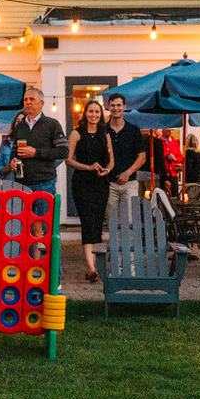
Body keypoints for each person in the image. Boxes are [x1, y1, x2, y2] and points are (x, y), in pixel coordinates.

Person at [67, 98, 114, 278]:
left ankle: (95, 265)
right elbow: (68, 160)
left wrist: (107, 170)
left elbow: (111, 160)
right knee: (87, 223)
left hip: (101, 184)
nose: (94, 115)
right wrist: (89, 167)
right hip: (82, 184)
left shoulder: (105, 134)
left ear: (101, 114)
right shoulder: (76, 133)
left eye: (97, 112)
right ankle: (91, 267)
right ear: (85, 114)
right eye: (91, 111)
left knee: (97, 223)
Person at [0, 87, 68, 196]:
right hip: (21, 183)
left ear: (41, 103)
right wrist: (13, 160)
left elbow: (63, 152)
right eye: (25, 100)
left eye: (32, 99)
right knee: (23, 214)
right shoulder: (20, 126)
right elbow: (15, 151)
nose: (28, 102)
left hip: (44, 184)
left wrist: (35, 153)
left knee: (42, 214)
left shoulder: (52, 124)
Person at [104, 93, 149, 224]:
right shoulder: (103, 130)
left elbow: (142, 156)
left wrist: (128, 173)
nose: (115, 108)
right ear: (108, 107)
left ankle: (127, 245)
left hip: (129, 183)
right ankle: (114, 246)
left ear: (124, 107)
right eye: (112, 105)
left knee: (129, 221)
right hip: (109, 184)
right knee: (111, 222)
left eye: (118, 105)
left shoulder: (133, 130)